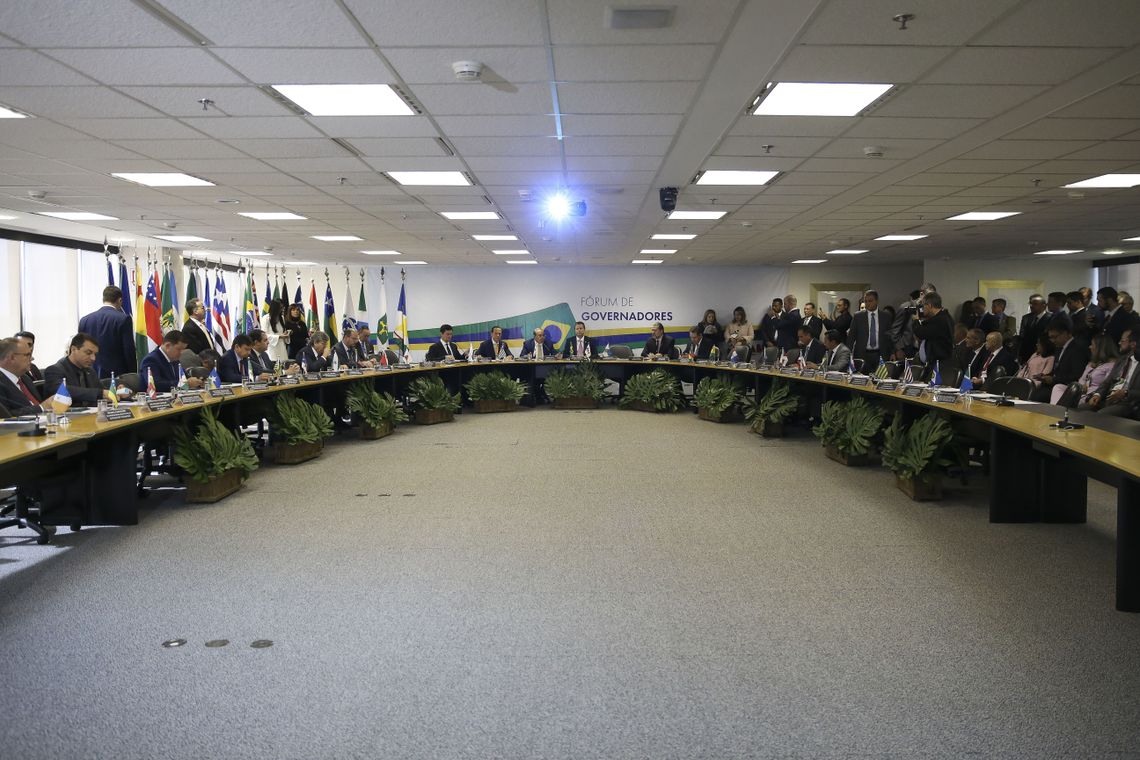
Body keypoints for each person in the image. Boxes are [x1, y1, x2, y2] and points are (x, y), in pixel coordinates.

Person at [77, 285, 136, 378]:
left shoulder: (85, 320)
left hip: (90, 374)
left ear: (103, 299)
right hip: (117, 376)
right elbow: (128, 351)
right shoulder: (123, 319)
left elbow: (79, 350)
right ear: (120, 300)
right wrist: (133, 375)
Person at [1083, 328, 1138, 418]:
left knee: (1101, 416)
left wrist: (1126, 393)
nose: (1119, 343)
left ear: (1133, 343)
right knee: (1083, 408)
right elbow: (1107, 381)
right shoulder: (1122, 360)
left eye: (1123, 340)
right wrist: (1098, 394)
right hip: (1109, 398)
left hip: (1128, 402)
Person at [1034, 318, 1090, 402]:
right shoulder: (1059, 348)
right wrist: (1044, 376)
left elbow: (1077, 375)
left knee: (1038, 397)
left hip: (1065, 387)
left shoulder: (1077, 349)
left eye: (1054, 337)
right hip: (1054, 384)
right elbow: (1057, 371)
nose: (1052, 341)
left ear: (1065, 333)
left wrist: (1053, 380)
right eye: (1050, 338)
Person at [43, 333, 105, 407]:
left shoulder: (90, 371)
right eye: (88, 353)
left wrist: (116, 391)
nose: (93, 358)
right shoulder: (54, 370)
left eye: (95, 354)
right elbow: (63, 391)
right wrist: (100, 393)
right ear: (73, 349)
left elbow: (102, 391)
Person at [912, 291, 954, 378]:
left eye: (923, 305)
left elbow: (921, 333)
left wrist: (916, 320)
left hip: (940, 364)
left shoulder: (941, 320)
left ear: (930, 305)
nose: (922, 309)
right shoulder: (941, 317)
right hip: (934, 363)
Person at [888, 283, 936, 360]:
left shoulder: (931, 310)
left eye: (933, 297)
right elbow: (895, 331)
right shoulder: (906, 307)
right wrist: (898, 349)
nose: (931, 299)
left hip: (923, 349)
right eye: (929, 296)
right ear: (921, 294)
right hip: (907, 348)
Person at [0, 337, 46, 415]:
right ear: (12, 357)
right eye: (27, 354)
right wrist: (42, 407)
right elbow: (6, 416)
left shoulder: (25, 378)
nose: (32, 358)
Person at [1071, 335, 1119, 408]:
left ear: (1100, 348)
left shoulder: (1111, 365)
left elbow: (1107, 385)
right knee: (1058, 387)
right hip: (1080, 392)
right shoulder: (1092, 363)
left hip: (1092, 395)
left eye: (1092, 345)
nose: (1090, 347)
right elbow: (1082, 379)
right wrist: (1081, 387)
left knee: (1068, 401)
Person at [847, 289, 889, 371]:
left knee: (879, 379)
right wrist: (848, 354)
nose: (867, 304)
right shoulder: (858, 316)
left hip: (880, 354)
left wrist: (892, 352)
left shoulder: (885, 316)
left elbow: (890, 336)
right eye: (865, 301)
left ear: (877, 301)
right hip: (862, 354)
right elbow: (851, 337)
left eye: (870, 301)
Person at [259, 298, 290, 365]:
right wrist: (279, 336)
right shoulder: (266, 318)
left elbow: (281, 332)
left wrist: (285, 334)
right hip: (271, 349)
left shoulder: (282, 318)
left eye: (283, 307)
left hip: (282, 349)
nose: (282, 309)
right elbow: (264, 335)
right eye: (280, 307)